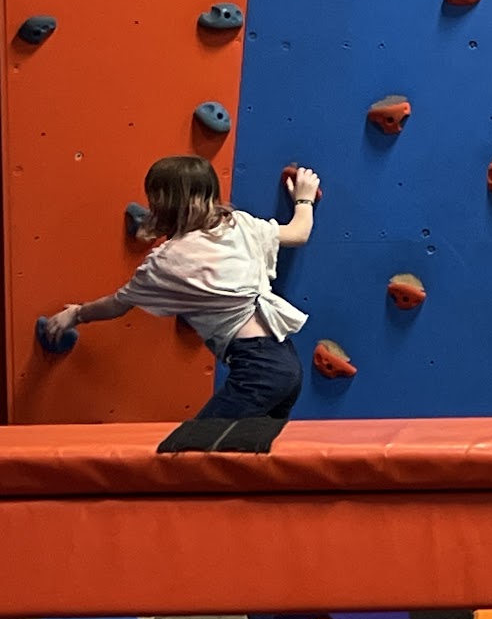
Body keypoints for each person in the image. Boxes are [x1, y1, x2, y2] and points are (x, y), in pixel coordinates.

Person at [40, 155, 320, 420]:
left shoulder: (167, 261)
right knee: (247, 458)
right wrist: (304, 198)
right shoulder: (240, 225)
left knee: (194, 456)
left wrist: (76, 314)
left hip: (257, 369)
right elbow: (298, 232)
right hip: (287, 363)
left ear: (160, 204)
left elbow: (116, 304)